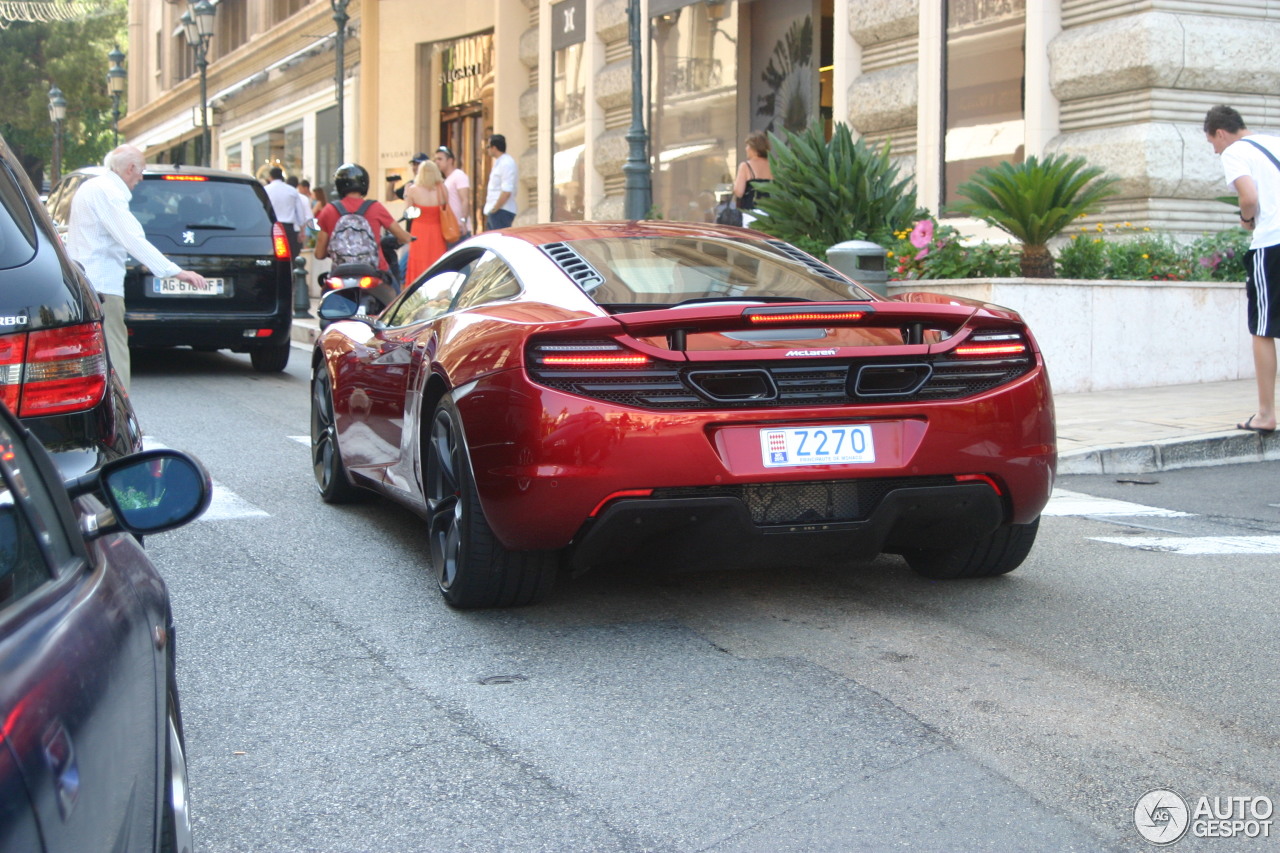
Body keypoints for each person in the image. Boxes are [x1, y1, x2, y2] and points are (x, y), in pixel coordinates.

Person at [66, 144, 208, 390]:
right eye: (140, 171)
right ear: (130, 168)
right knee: (115, 349)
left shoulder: (90, 187)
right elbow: (132, 239)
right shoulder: (108, 192)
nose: (141, 178)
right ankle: (121, 416)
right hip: (102, 285)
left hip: (85, 280)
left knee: (91, 353)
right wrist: (176, 272)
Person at [1205, 105, 1280, 434]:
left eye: (1212, 143)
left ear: (1220, 132)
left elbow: (1248, 197)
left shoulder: (1234, 152)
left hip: (1272, 244)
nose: (1216, 150)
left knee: (1262, 329)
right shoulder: (1275, 142)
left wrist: (1247, 219)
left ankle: (1265, 414)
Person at [314, 163, 412, 274]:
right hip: (375, 271)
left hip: (341, 274)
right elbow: (404, 237)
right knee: (396, 290)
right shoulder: (375, 207)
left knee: (327, 290)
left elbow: (319, 254)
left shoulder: (329, 210)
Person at [403, 160, 449, 284]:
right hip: (437, 231)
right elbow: (445, 206)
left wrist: (406, 196)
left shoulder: (413, 190)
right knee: (437, 261)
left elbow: (408, 213)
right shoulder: (442, 189)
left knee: (418, 262)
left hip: (419, 230)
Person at [264, 166, 312, 255]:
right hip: (289, 228)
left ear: (271, 177)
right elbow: (300, 213)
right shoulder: (292, 190)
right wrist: (302, 231)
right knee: (291, 256)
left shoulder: (265, 190)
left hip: (271, 227)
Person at [732, 130, 773, 224]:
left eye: (747, 146)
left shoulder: (745, 166)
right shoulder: (773, 166)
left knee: (751, 239)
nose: (746, 149)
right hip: (770, 214)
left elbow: (739, 192)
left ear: (754, 148)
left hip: (751, 214)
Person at [433, 144, 472, 246]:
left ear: (450, 160)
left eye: (440, 159)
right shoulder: (446, 180)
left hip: (460, 228)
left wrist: (463, 221)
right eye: (436, 159)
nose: (437, 162)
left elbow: (465, 200)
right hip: (450, 228)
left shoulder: (459, 175)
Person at [483, 134, 518, 231]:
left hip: (501, 210)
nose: (487, 149)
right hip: (496, 211)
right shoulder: (500, 162)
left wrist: (495, 208)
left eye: (488, 147)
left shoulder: (506, 163)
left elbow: (507, 191)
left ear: (494, 148)